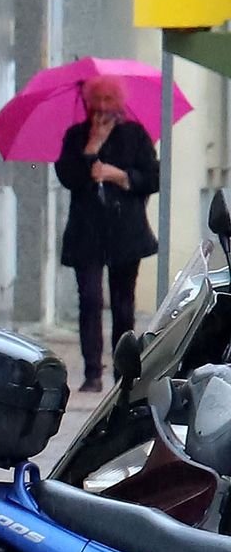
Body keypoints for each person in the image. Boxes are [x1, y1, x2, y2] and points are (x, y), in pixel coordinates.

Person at [54, 75, 161, 393]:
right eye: (96, 102)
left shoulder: (135, 135)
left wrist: (120, 176)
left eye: (108, 102)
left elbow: (153, 178)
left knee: (123, 304)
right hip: (87, 232)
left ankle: (122, 372)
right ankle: (92, 373)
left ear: (119, 104)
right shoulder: (76, 135)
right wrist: (92, 148)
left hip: (124, 231)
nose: (101, 109)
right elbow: (68, 177)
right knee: (89, 300)